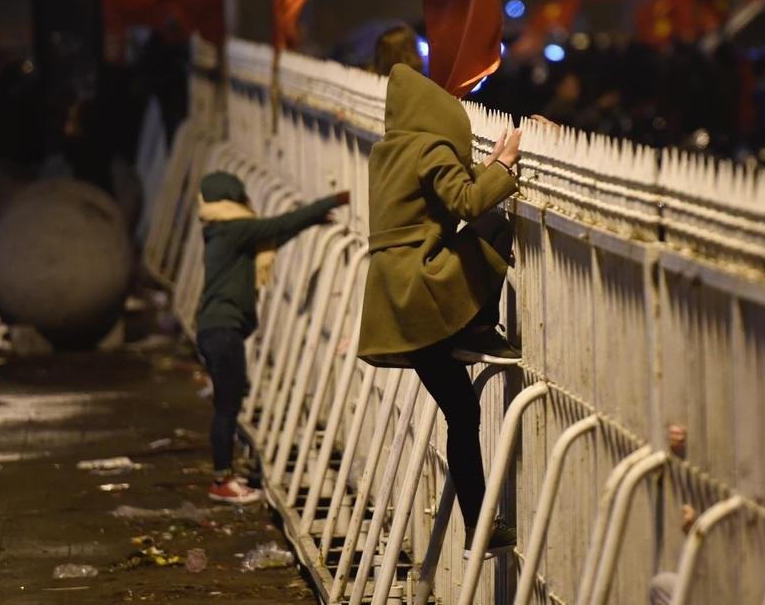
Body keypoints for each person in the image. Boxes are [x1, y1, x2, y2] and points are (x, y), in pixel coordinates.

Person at [358, 63, 522, 557]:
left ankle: (479, 525)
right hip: (423, 291)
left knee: (462, 411)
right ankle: (477, 326)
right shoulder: (429, 147)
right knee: (494, 227)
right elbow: (470, 202)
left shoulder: (386, 152)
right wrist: (507, 168)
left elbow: (439, 194)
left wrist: (488, 166)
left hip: (392, 298)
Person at [196, 171, 349, 504]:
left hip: (216, 330)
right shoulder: (234, 229)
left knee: (228, 401)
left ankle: (224, 477)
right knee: (226, 407)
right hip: (222, 331)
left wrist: (311, 220)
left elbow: (276, 234)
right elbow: (277, 225)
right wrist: (336, 199)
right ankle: (221, 481)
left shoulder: (222, 232)